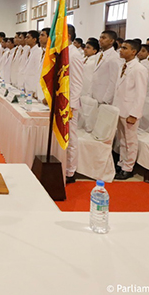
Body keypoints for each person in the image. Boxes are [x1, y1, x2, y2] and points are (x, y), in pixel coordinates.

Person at [112, 40, 149, 180]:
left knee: (130, 140)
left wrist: (134, 114)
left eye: (125, 48)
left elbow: (141, 94)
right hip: (119, 108)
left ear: (133, 52)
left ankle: (128, 167)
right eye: (121, 47)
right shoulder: (123, 65)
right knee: (122, 139)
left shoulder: (139, 69)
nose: (121, 50)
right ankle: (122, 162)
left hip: (129, 110)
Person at [65, 25, 85, 183]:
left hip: (69, 104)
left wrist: (71, 104)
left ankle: (71, 171)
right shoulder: (62, 51)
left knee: (71, 137)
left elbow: (77, 82)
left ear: (68, 35)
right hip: (60, 101)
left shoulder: (74, 54)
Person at [92, 30, 122, 105]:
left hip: (103, 97)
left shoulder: (114, 57)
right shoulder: (98, 55)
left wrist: (106, 100)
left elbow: (113, 80)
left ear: (111, 41)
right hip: (93, 95)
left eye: (103, 38)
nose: (100, 40)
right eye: (100, 37)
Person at [22, 30, 43, 98]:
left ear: (34, 39)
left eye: (28, 37)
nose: (26, 39)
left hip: (32, 87)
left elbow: (37, 71)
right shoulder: (29, 50)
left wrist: (35, 90)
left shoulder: (38, 52)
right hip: (26, 85)